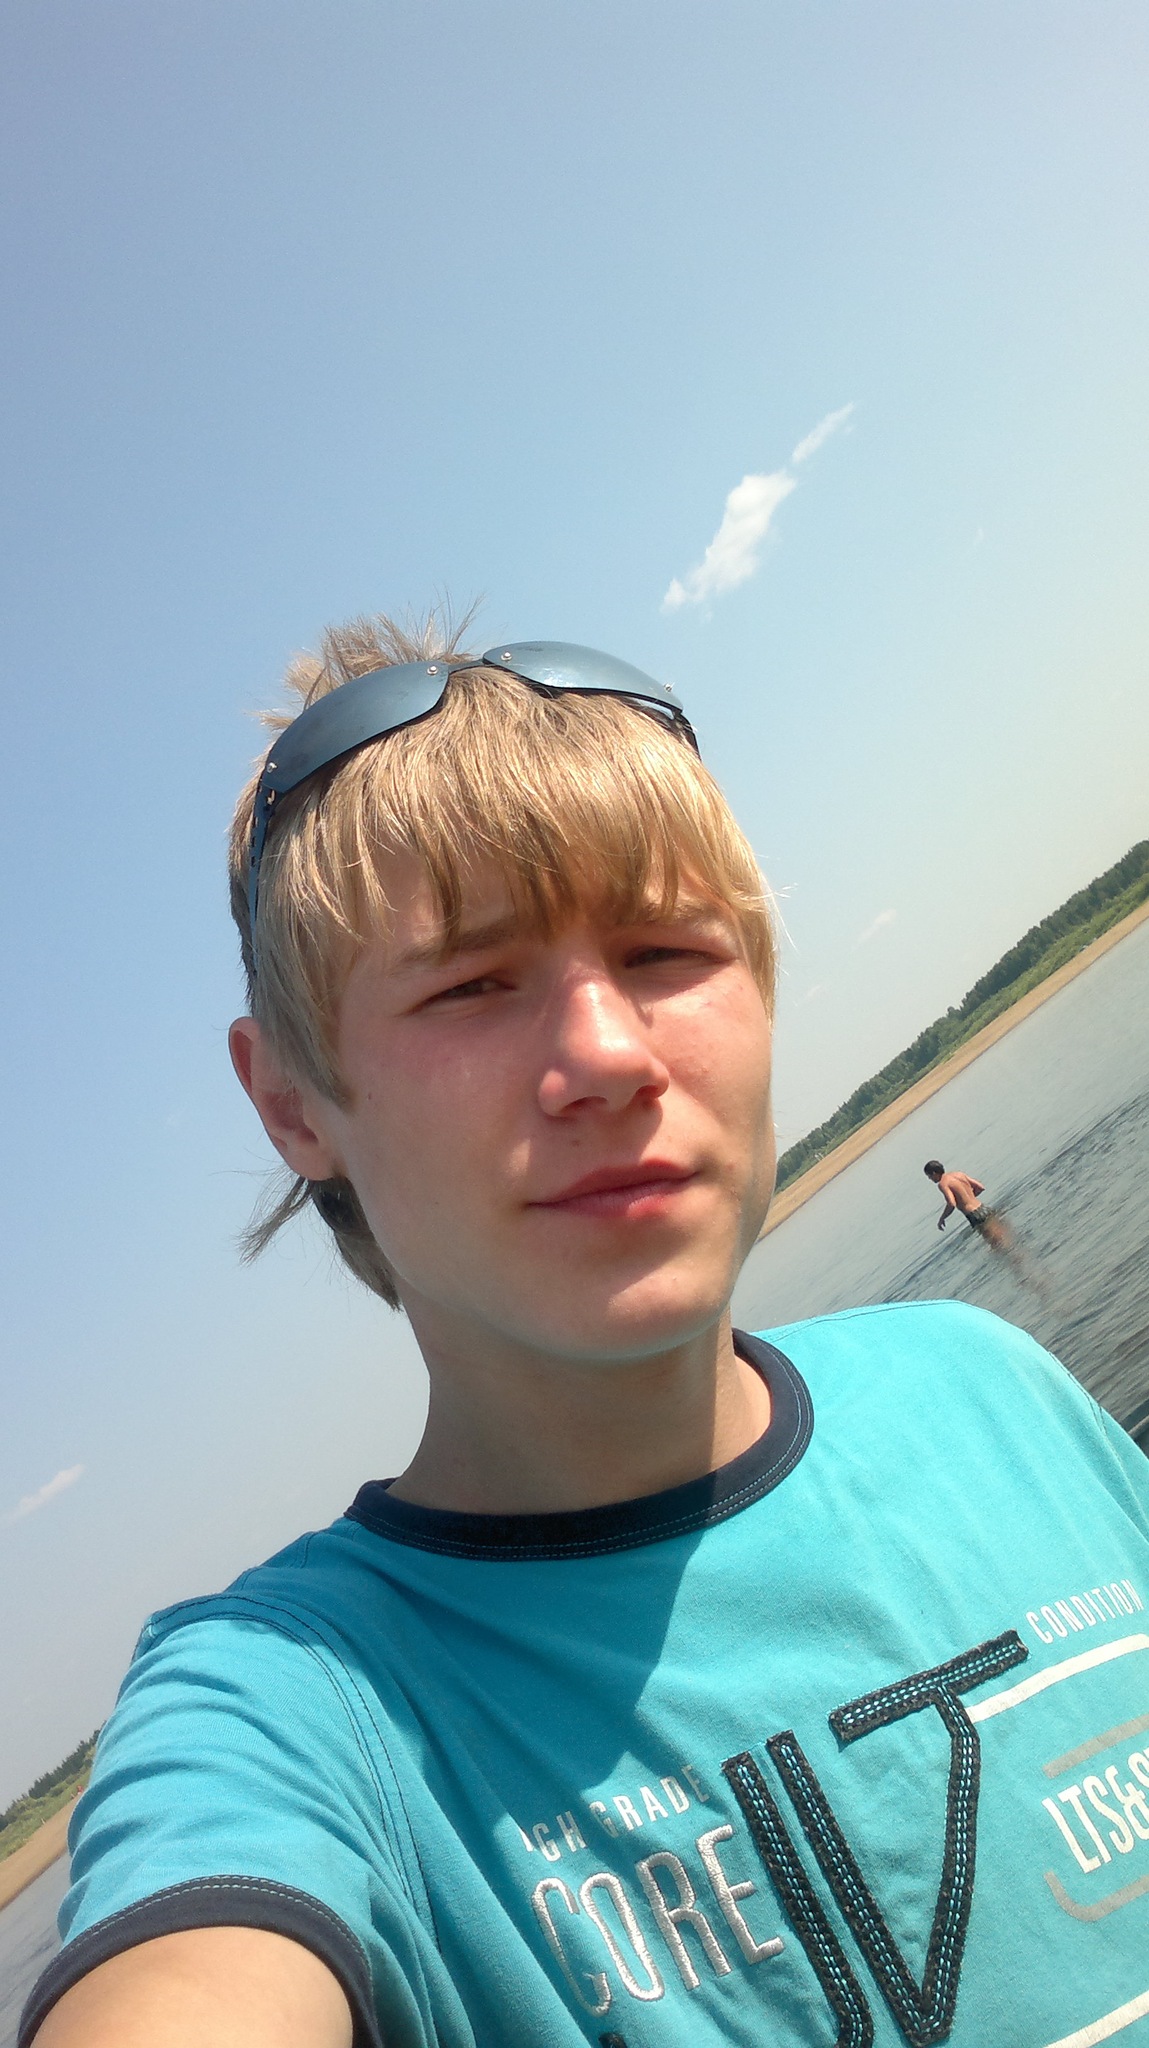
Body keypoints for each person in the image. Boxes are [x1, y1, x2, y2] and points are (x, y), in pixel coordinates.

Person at [23, 617, 1149, 2048]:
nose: (610, 1057)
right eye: (470, 983)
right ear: (292, 1104)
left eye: (667, 948)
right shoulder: (289, 1712)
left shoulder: (991, 1388)